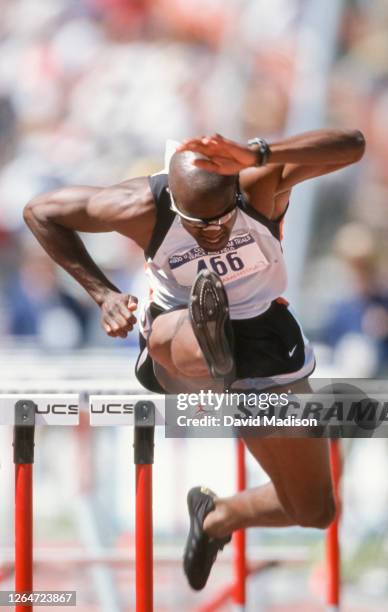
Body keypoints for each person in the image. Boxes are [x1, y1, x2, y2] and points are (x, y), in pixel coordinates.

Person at [23, 129, 365, 590]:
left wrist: (260, 152)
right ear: (176, 207)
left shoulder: (260, 182)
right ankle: (211, 342)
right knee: (178, 329)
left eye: (222, 221)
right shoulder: (142, 206)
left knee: (315, 509)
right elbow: (40, 212)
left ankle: (216, 518)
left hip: (261, 339)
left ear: (236, 193)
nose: (213, 234)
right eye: (198, 226)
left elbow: (353, 145)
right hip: (177, 340)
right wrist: (102, 294)